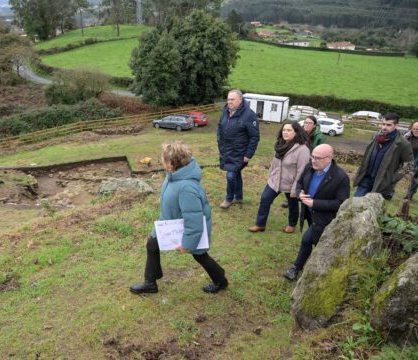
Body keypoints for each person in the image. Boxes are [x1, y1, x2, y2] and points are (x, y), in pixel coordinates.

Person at [130, 141, 228, 295]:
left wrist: (188, 244)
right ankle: (150, 282)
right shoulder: (173, 176)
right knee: (152, 245)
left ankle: (220, 280)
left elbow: (194, 220)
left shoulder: (186, 188)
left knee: (200, 255)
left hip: (186, 227)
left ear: (171, 163)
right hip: (168, 223)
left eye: (163, 159)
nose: (161, 161)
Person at [283, 144, 350, 281]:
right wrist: (300, 193)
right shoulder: (309, 167)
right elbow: (300, 183)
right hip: (309, 213)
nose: (314, 160)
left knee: (307, 240)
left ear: (330, 158)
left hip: (325, 217)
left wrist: (315, 203)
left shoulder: (341, 177)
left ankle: (296, 268)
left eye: (318, 158)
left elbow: (341, 203)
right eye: (312, 156)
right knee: (316, 239)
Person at [249, 121, 311, 233]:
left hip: (291, 183)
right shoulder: (280, 145)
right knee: (265, 199)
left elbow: (302, 171)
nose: (285, 132)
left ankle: (292, 225)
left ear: (296, 132)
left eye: (289, 130)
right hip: (275, 180)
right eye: (284, 130)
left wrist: (295, 188)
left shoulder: (303, 150)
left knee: (292, 205)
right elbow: (274, 163)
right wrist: (270, 176)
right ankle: (260, 224)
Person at [353, 113, 414, 199]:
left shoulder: (403, 144)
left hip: (382, 183)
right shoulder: (375, 136)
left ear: (396, 126)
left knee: (371, 209)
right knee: (356, 204)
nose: (384, 127)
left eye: (388, 125)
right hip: (366, 179)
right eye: (383, 124)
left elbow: (408, 165)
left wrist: (391, 179)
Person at [217, 89, 260, 209]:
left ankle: (229, 198)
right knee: (236, 174)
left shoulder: (249, 115)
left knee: (231, 176)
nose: (229, 102)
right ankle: (239, 197)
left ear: (240, 100)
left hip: (240, 153)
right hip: (227, 151)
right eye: (228, 99)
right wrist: (219, 142)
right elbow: (220, 127)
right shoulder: (225, 111)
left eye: (232, 99)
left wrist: (248, 154)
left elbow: (254, 136)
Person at [281, 115, 325, 208]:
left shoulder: (319, 136)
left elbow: (322, 150)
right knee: (295, 179)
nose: (307, 124)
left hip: (313, 162)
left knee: (307, 182)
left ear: (314, 125)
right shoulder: (300, 132)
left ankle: (307, 200)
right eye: (305, 122)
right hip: (300, 159)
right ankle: (291, 200)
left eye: (310, 123)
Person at [404, 121, 418, 200]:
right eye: (414, 129)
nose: (415, 130)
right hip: (407, 158)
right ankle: (390, 192)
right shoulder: (407, 135)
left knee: (415, 178)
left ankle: (410, 194)